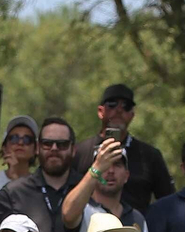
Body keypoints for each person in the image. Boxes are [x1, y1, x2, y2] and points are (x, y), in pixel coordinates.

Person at [61, 137, 151, 232]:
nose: (110, 171)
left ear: (127, 175)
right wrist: (96, 168)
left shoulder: (137, 217)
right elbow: (68, 214)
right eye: (105, 164)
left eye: (117, 164)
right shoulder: (83, 211)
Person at [0, 116, 78, 232]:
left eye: (62, 144)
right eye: (47, 143)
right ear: (38, 148)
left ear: (73, 149)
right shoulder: (15, 190)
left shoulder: (85, 187)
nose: (54, 148)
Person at [70, 83, 172, 211]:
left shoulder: (150, 156)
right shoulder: (80, 152)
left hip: (136, 227)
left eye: (126, 106)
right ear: (100, 111)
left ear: (132, 115)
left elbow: (168, 203)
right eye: (112, 104)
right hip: (89, 227)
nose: (119, 110)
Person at [0, 115, 37, 198]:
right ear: (4, 148)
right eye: (14, 138)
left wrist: (14, 177)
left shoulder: (39, 185)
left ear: (35, 150)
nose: (20, 143)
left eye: (27, 139)